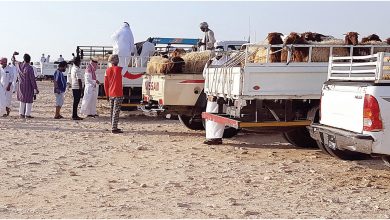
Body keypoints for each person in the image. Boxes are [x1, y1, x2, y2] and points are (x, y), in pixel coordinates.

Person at [104, 54, 125, 134]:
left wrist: (107, 95)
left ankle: (113, 126)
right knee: (116, 111)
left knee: (112, 110)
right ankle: (114, 128)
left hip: (111, 93)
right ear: (117, 61)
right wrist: (140, 74)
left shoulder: (107, 70)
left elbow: (106, 84)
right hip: (118, 93)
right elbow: (131, 76)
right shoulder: (120, 69)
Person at [14, 53, 39, 118]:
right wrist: (35, 88)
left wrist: (13, 55)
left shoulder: (19, 65)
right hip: (28, 86)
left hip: (21, 86)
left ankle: (21, 114)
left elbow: (13, 61)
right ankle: (27, 114)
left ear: (24, 59)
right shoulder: (29, 68)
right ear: (29, 60)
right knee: (29, 101)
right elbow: (32, 79)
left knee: (22, 100)